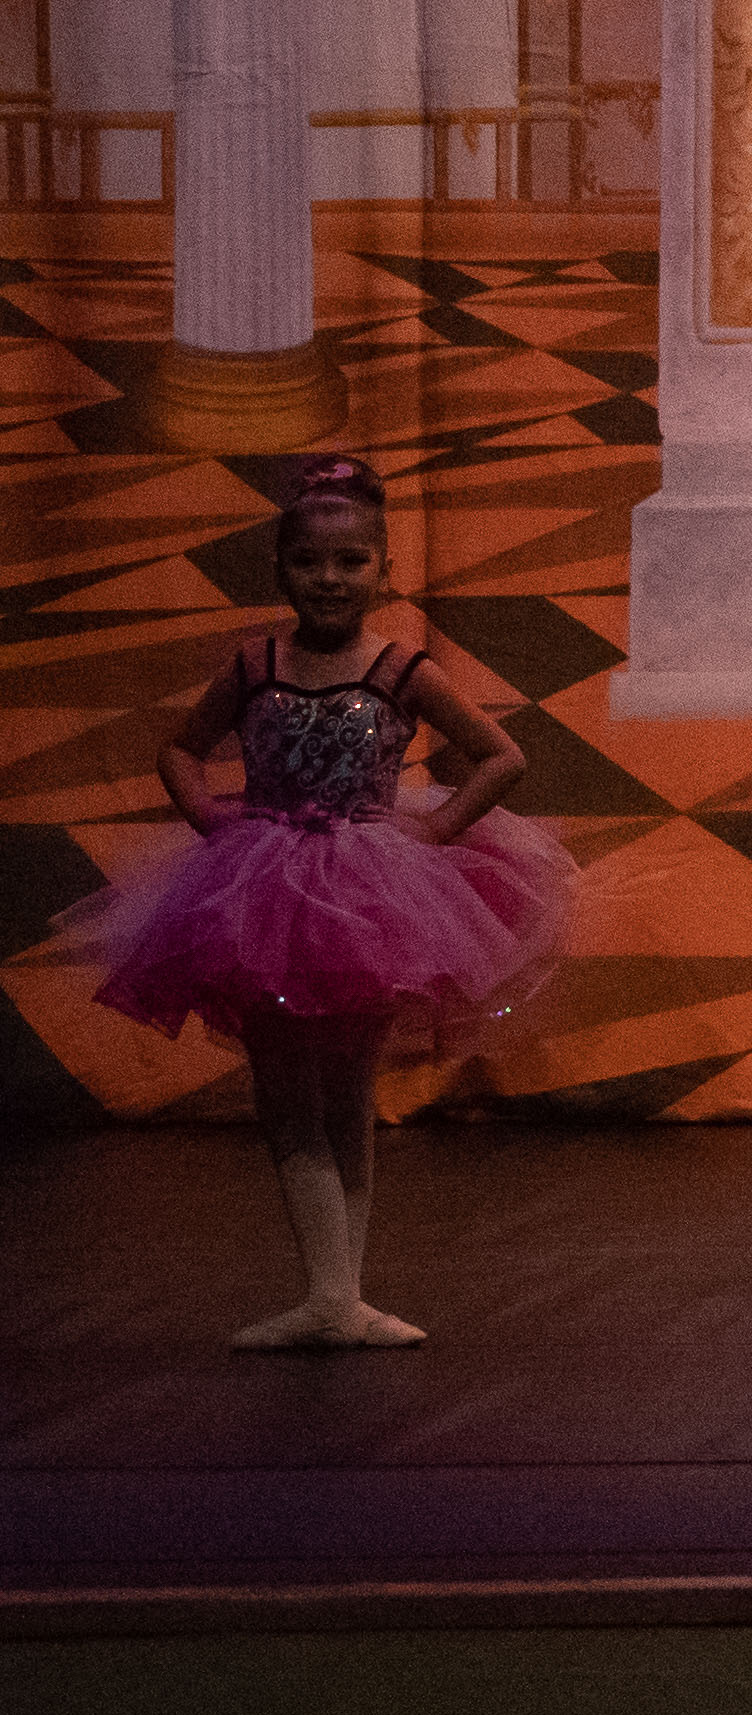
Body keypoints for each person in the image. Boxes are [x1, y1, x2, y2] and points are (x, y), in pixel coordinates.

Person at [73, 455, 572, 1346]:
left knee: (347, 1093)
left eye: (351, 562)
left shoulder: (401, 670)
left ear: (384, 570)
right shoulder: (255, 665)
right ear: (280, 569)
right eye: (308, 562)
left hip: (369, 899)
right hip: (258, 895)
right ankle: (328, 1296)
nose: (330, 579)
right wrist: (208, 818)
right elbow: (180, 748)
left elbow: (503, 756)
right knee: (283, 1094)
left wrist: (438, 827)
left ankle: (342, 1298)